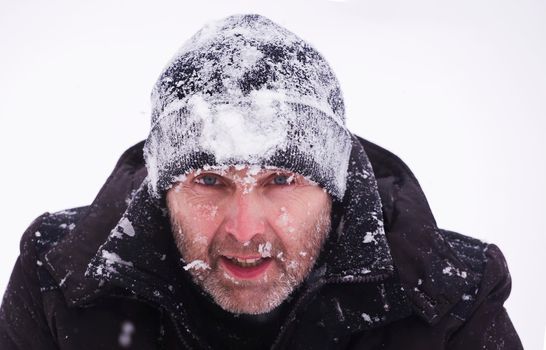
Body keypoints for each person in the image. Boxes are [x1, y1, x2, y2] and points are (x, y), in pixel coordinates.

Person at [0, 14, 522, 350]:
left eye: (282, 178)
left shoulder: (448, 296)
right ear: (162, 190)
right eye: (208, 180)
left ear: (333, 188)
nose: (246, 230)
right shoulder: (57, 279)